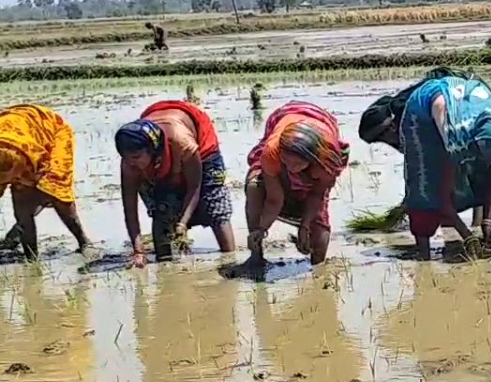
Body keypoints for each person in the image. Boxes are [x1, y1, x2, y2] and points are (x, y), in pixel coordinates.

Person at [358, 68, 491, 260]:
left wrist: (487, 222)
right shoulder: (448, 137)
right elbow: (441, 196)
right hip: (432, 116)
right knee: (425, 190)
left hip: (459, 102)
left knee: (479, 177)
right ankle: (424, 256)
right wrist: (467, 236)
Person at [116, 100, 236, 268]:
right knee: (162, 209)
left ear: (151, 150)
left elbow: (195, 186)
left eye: (136, 158)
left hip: (201, 149)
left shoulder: (182, 142)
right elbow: (129, 208)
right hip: (164, 152)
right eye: (127, 158)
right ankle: (163, 261)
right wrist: (139, 251)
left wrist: (183, 223)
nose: (131, 163)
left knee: (214, 205)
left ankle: (230, 258)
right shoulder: (130, 164)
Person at [243, 101, 349, 268]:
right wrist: (261, 229)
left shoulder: (327, 161)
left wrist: (305, 226)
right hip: (285, 119)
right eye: (287, 162)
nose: (292, 168)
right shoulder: (272, 151)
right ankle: (257, 259)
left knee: (318, 224)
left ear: (312, 159)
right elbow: (274, 199)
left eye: (298, 165)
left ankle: (319, 270)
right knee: (255, 186)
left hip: (321, 127)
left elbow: (318, 195)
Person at [0, 104, 92, 259]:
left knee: (54, 190)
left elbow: (36, 180)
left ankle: (84, 242)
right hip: (19, 131)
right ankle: (31, 257)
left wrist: (39, 194)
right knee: (23, 209)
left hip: (52, 131)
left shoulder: (17, 157)